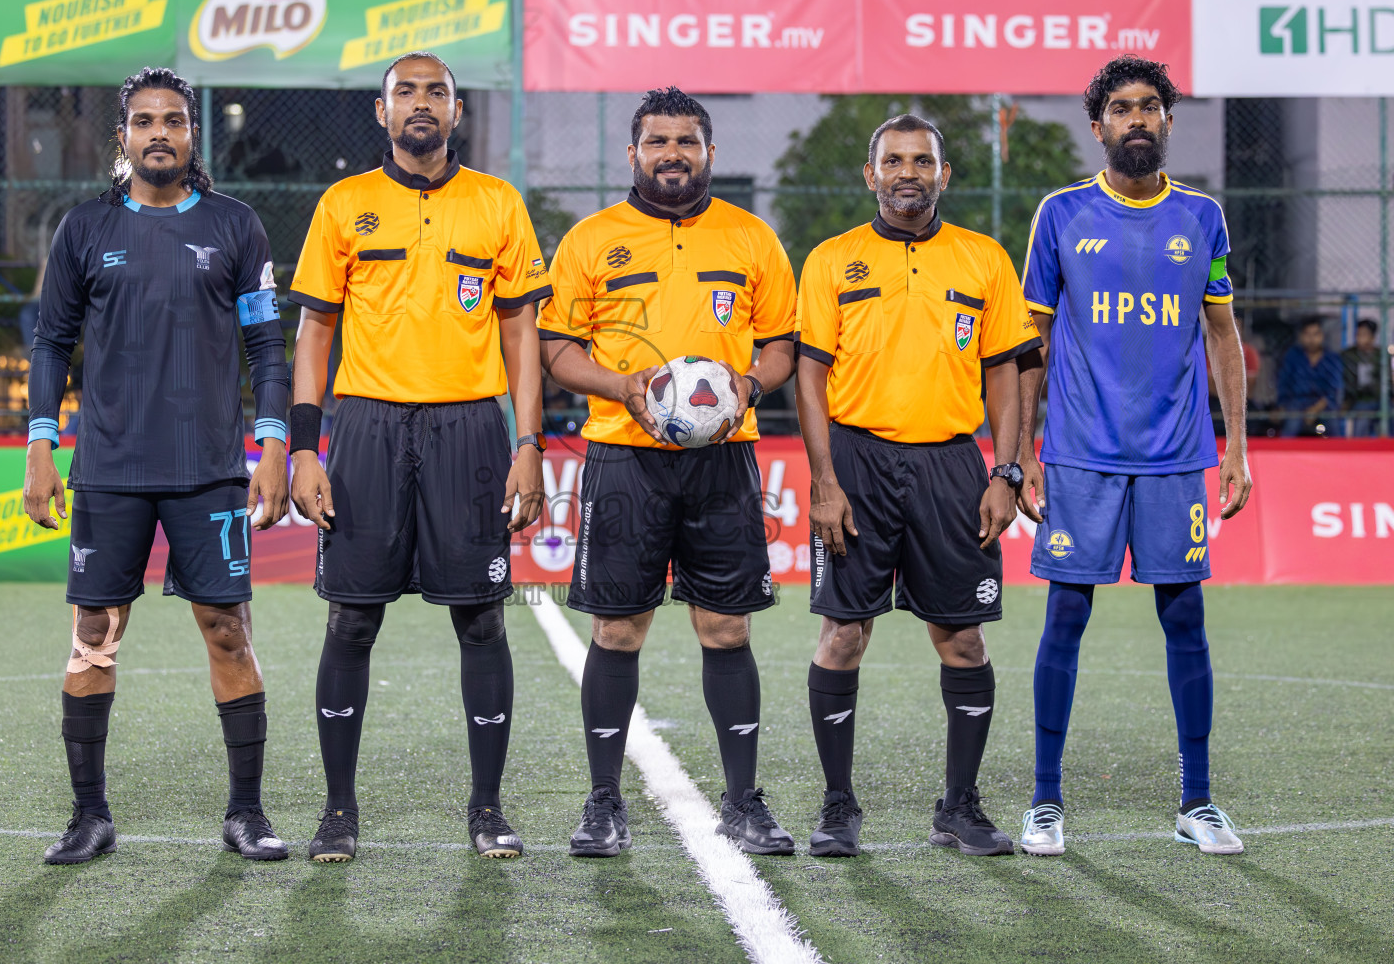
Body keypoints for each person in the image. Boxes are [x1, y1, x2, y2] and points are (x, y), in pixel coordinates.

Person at [24, 67, 291, 865]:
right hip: (106, 468)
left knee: (228, 633)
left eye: (173, 120)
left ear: (191, 134)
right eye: (144, 121)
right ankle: (89, 816)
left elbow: (267, 347)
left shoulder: (237, 227)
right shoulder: (83, 230)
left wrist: (272, 443)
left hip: (209, 468)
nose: (159, 133)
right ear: (124, 137)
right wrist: (41, 445)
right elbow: (50, 343)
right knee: (94, 638)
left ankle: (245, 813)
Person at [287, 50, 548, 863]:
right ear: (382, 111)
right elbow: (315, 332)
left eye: (437, 91)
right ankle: (337, 812)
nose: (422, 103)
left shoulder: (498, 205)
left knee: (480, 620)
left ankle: (487, 808)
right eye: (407, 91)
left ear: (457, 111)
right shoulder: (345, 204)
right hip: (364, 428)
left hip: (470, 428)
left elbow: (520, 332)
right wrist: (304, 446)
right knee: (353, 620)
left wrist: (529, 442)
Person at [538, 87, 798, 857]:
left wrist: (746, 387)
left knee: (726, 625)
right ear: (633, 153)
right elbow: (556, 350)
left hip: (724, 459)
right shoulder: (591, 240)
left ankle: (744, 801)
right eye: (658, 141)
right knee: (617, 629)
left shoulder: (753, 238)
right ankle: (603, 803)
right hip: (625, 458)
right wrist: (624, 388)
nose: (673, 154)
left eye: (687, 141)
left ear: (710, 152)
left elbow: (782, 346)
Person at [1017, 55, 1253, 857]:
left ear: (1168, 120)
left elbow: (1223, 336)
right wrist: (1022, 453)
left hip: (1176, 454)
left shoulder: (1204, 218)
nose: (1137, 120)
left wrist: (1237, 449)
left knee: (1184, 615)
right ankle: (1045, 803)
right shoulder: (1060, 213)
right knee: (1067, 613)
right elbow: (1034, 344)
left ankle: (1198, 801)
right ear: (1098, 125)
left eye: (1150, 107)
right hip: (1080, 455)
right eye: (1122, 109)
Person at [796, 114, 1040, 859]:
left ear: (944, 175)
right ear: (871, 175)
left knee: (962, 640)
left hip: (951, 466)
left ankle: (959, 807)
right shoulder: (833, 260)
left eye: (923, 160)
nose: (909, 172)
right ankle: (839, 807)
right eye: (894, 161)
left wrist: (1006, 468)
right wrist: (825, 480)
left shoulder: (983, 259)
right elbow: (810, 374)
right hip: (858, 462)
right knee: (843, 634)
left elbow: (1006, 371)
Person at [1276, 317, 1342, 436]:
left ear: (1322, 336)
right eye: (1307, 334)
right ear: (1301, 337)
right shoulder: (1292, 356)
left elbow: (1334, 389)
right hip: (1297, 402)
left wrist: (1315, 409)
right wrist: (1282, 405)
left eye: (1315, 334)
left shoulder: (1331, 358)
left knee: (1334, 424)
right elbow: (1284, 383)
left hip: (1324, 404)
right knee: (1291, 424)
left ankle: (1339, 454)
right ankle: (1284, 453)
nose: (1311, 339)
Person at [1342, 319, 1387, 436]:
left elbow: (1386, 381)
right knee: (1363, 417)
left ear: (1372, 337)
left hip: (1381, 399)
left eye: (1364, 335)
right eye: (1358, 335)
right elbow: (1348, 383)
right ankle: (1358, 450)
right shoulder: (1348, 355)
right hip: (1359, 399)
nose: (1360, 338)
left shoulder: (1381, 355)